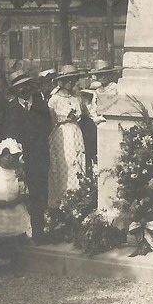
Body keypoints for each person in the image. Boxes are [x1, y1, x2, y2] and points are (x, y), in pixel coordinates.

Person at [6, 69, 50, 242]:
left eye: (25, 86)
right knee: (21, 195)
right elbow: (10, 133)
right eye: (19, 88)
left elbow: (48, 126)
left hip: (39, 156)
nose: (23, 90)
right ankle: (21, 233)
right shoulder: (12, 109)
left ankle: (39, 232)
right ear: (15, 91)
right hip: (22, 158)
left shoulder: (39, 104)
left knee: (39, 194)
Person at [0, 139, 31, 275]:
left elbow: (24, 192)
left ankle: (16, 266)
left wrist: (15, 201)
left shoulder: (18, 174)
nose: (8, 157)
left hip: (15, 212)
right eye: (5, 153)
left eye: (11, 154)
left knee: (16, 241)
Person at [47, 64, 86, 207]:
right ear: (61, 81)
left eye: (73, 79)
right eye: (67, 79)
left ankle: (78, 200)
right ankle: (62, 201)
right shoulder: (54, 99)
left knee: (78, 162)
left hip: (76, 133)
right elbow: (51, 121)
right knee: (65, 165)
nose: (70, 82)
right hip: (61, 135)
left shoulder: (78, 97)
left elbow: (87, 114)